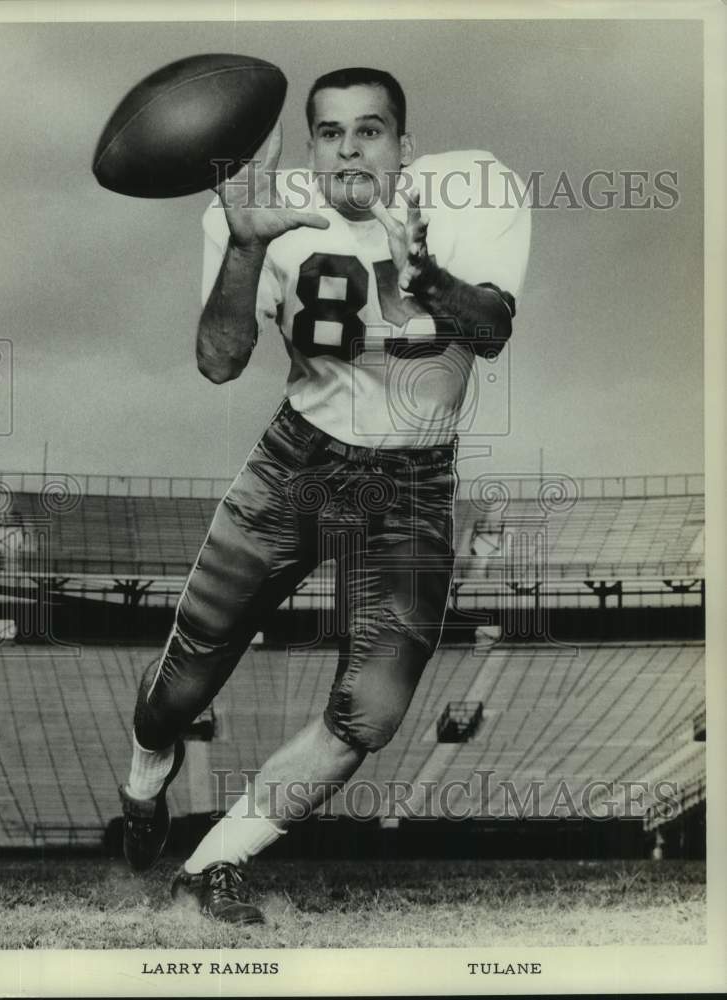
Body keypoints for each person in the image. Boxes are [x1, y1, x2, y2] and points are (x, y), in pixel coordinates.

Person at [119, 66, 531, 925]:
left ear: (404, 147)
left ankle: (214, 863)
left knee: (372, 711)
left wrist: (426, 276)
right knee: (185, 679)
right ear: (311, 145)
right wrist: (243, 246)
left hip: (414, 477)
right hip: (298, 459)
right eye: (331, 132)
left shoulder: (474, 191)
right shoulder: (264, 209)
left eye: (370, 130)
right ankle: (145, 771)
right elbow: (219, 361)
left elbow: (490, 329)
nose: (350, 148)